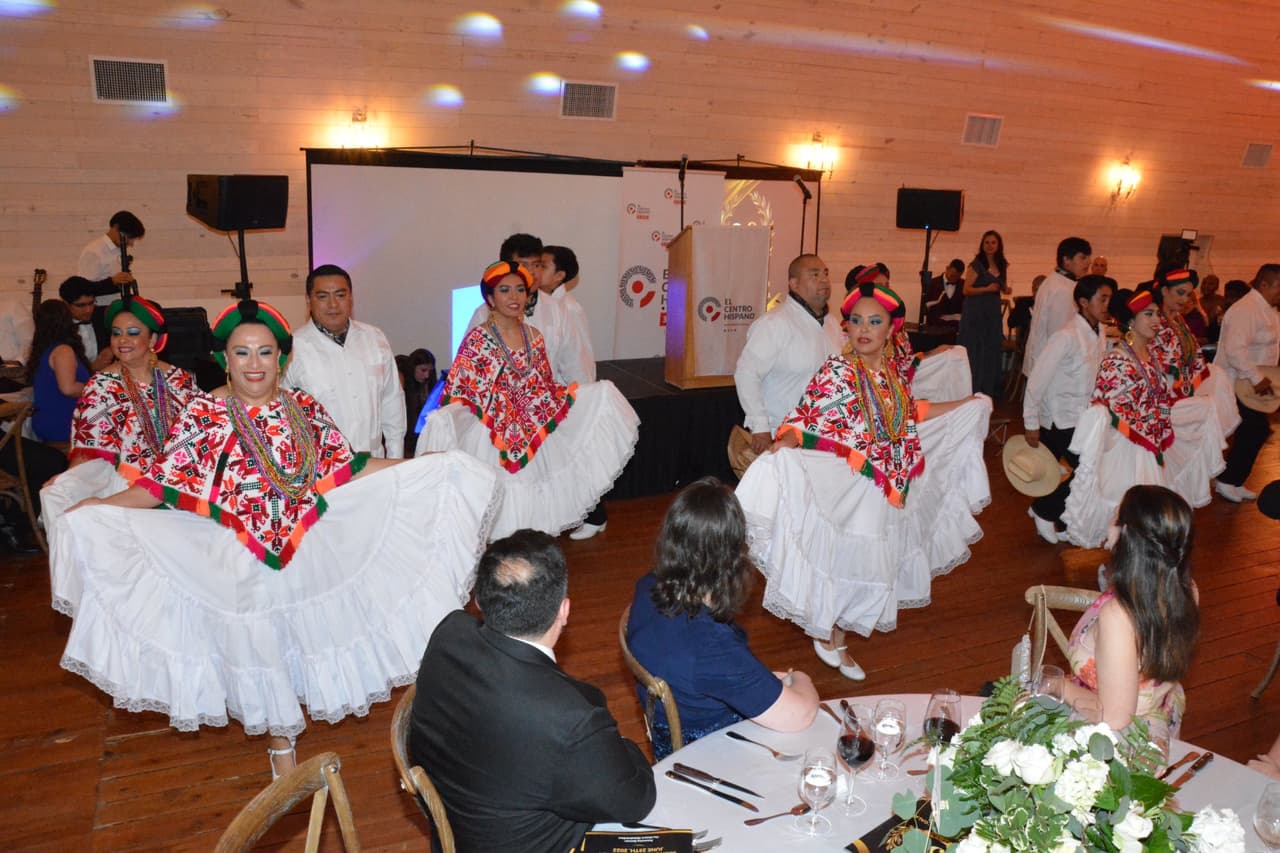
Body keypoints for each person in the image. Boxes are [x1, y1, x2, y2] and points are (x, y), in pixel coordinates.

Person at [51, 299, 498, 778]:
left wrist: (418, 467)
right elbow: (163, 485)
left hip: (305, 545)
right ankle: (281, 741)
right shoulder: (206, 414)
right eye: (241, 353)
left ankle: (296, 725)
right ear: (225, 359)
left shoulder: (302, 405)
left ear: (282, 359)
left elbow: (347, 467)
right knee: (260, 643)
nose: (254, 364)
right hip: (237, 554)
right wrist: (100, 507)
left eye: (265, 352)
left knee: (300, 637)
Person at [736, 281, 991, 681]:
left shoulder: (890, 373)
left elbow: (910, 413)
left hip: (879, 482)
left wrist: (965, 404)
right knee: (842, 556)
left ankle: (837, 636)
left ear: (892, 328)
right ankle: (831, 635)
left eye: (875, 321)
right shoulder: (839, 370)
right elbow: (808, 418)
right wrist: (781, 446)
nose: (863, 329)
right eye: (856, 320)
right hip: (846, 482)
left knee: (867, 563)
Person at [409, 529, 656, 853]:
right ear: (564, 610)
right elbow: (635, 800)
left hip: (458, 833)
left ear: (480, 600)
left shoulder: (449, 633)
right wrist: (623, 745)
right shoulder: (571, 721)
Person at [419, 261, 638, 539]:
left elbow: (543, 385)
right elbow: (462, 390)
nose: (514, 297)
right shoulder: (478, 339)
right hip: (491, 436)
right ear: (490, 298)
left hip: (530, 432)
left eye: (520, 290)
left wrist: (574, 397)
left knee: (532, 507)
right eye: (505, 290)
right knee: (499, 511)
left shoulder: (534, 336)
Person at [625, 478, 819, 759]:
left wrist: (760, 682)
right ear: (733, 557)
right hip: (707, 755)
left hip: (674, 720)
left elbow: (721, 670)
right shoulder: (710, 647)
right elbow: (800, 715)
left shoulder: (648, 585)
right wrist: (799, 677)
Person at [1063, 485, 1198, 761]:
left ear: (1125, 535)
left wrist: (1057, 686)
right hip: (1161, 717)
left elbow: (1114, 716)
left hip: (1116, 746)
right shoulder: (1187, 590)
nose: (1110, 520)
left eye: (1115, 515)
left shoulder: (1119, 615)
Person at [40, 296, 198, 530]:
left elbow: (199, 439)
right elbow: (90, 447)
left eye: (133, 332)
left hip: (181, 478)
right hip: (124, 482)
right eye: (116, 333)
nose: (122, 340)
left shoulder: (180, 380)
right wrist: (69, 478)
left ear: (153, 338)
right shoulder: (101, 384)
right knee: (57, 494)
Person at [1062, 288, 1175, 547]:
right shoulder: (1116, 359)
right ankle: (1118, 569)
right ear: (1130, 322)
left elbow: (1161, 397)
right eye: (1148, 314)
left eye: (1158, 314)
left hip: (1147, 444)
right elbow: (1104, 404)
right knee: (1128, 510)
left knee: (1145, 514)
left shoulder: (1153, 356)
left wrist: (1160, 422)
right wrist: (1143, 424)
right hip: (1125, 446)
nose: (1157, 320)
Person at [1023, 275, 1115, 543]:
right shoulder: (1066, 336)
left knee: (1073, 470)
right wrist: (1031, 423)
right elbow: (1037, 381)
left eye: (1109, 299)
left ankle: (1049, 510)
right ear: (1084, 302)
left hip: (1085, 414)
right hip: (1060, 416)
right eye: (1102, 298)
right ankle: (1044, 510)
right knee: (1082, 468)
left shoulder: (1099, 331)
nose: (1107, 304)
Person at [284, 264, 405, 458]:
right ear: (309, 300)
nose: (333, 305)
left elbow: (391, 400)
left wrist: (395, 458)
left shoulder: (375, 338)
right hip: (322, 471)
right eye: (323, 296)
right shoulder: (292, 348)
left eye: (340, 295)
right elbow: (284, 416)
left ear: (351, 298)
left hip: (374, 463)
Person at [734, 253, 844, 455]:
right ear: (794, 284)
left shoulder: (832, 324)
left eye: (825, 274)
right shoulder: (774, 323)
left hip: (824, 436)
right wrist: (760, 427)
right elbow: (746, 373)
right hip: (781, 438)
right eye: (814, 275)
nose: (824, 280)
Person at [539, 245, 608, 539]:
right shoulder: (541, 306)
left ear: (559, 276)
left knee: (576, 458)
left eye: (542, 266)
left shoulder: (569, 309)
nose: (535, 271)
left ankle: (595, 516)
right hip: (546, 397)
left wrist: (580, 400)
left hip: (567, 395)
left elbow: (580, 358)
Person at [1213, 264, 1280, 502]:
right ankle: (1227, 479)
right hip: (1240, 383)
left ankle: (1233, 479)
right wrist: (1256, 378)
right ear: (1264, 284)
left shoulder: (1269, 309)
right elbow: (1234, 349)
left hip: (1255, 383)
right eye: (1279, 286)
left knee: (1252, 431)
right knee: (1255, 430)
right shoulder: (1246, 309)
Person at [1023, 237, 1092, 378]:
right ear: (1067, 260)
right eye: (1083, 257)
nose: (1088, 262)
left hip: (1046, 362)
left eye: (1088, 257)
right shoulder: (1062, 289)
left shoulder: (1057, 281)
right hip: (1051, 366)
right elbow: (1058, 334)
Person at [27, 299, 90, 443]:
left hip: (48, 422)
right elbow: (68, 388)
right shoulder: (62, 350)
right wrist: (97, 388)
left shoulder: (42, 350)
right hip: (63, 423)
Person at [958, 229, 1011, 398]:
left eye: (993, 242)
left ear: (998, 245)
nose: (989, 245)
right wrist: (986, 289)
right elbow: (966, 289)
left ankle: (987, 390)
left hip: (992, 311)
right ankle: (972, 389)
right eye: (986, 242)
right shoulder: (976, 264)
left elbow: (1000, 285)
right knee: (975, 350)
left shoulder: (1002, 264)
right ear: (982, 244)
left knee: (990, 348)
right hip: (976, 310)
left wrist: (1004, 288)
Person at [78, 210, 144, 306]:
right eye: (129, 237)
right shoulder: (93, 251)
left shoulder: (119, 250)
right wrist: (113, 281)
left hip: (118, 305)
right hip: (101, 309)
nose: (131, 243)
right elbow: (83, 289)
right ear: (116, 228)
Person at [58, 276, 113, 370]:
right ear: (66, 304)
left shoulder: (103, 316)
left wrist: (113, 349)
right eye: (81, 305)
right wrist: (91, 368)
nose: (88, 310)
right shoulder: (58, 326)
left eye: (91, 303)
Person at [402, 347, 438, 456]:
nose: (427, 375)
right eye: (423, 370)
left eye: (430, 371)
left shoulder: (429, 385)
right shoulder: (402, 386)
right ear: (413, 367)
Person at [923, 258, 966, 329]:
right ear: (947, 268)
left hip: (955, 328)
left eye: (957, 277)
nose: (954, 279)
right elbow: (924, 308)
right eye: (952, 276)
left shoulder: (964, 285)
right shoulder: (932, 283)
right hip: (935, 326)